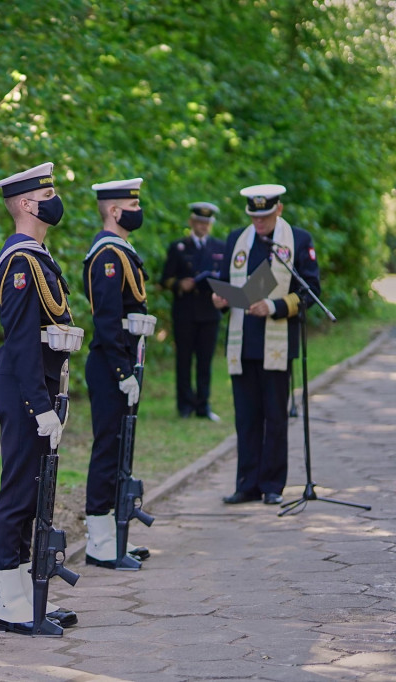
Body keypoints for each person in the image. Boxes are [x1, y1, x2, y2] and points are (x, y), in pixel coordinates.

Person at [0, 162, 78, 634]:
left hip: (39, 387)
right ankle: (6, 602)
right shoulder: (21, 262)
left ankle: (27, 594)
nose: (54, 200)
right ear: (26, 204)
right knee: (19, 493)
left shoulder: (38, 256)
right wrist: (39, 405)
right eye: (48, 194)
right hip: (27, 391)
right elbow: (21, 340)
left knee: (34, 493)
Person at [212, 184, 321, 505]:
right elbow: (223, 280)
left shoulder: (298, 240)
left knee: (274, 416)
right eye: (254, 217)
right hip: (242, 341)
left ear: (279, 210)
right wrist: (218, 298)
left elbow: (310, 291)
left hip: (277, 343)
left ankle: (273, 484)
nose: (259, 223)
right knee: (246, 416)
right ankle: (247, 483)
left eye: (265, 216)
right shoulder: (237, 239)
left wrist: (274, 307)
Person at [81, 178, 152, 569]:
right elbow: (107, 320)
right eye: (130, 204)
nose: (135, 210)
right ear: (113, 210)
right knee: (108, 449)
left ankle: (114, 535)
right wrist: (123, 371)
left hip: (122, 361)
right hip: (111, 365)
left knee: (120, 449)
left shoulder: (121, 249)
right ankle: (99, 541)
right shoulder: (107, 253)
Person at [160, 202, 227, 421]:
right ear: (192, 222)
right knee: (184, 359)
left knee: (205, 361)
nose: (203, 226)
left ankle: (203, 405)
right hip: (186, 312)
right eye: (199, 222)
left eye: (207, 222)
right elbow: (165, 280)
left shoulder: (220, 247)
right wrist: (180, 284)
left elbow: (225, 279)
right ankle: (185, 405)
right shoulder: (179, 247)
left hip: (210, 312)